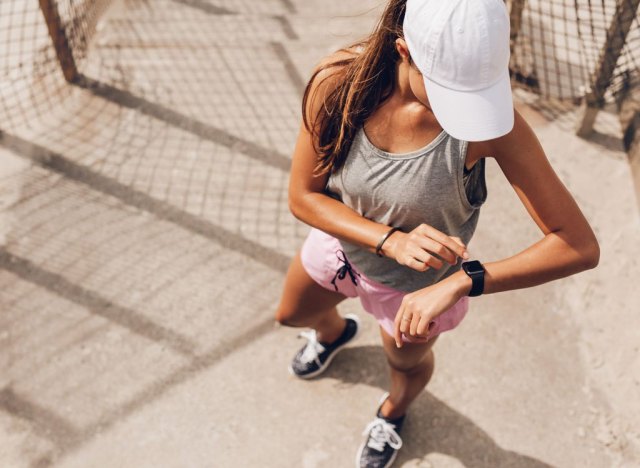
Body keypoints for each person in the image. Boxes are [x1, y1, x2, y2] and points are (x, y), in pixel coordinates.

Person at [274, 0, 600, 466]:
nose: (469, 113)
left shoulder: (491, 127)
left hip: (414, 293)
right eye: (452, 91)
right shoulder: (337, 84)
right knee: (291, 315)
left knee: (404, 365)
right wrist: (390, 240)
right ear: (403, 50)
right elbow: (303, 197)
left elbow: (578, 245)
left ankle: (392, 413)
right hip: (341, 247)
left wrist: (463, 279)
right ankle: (333, 332)